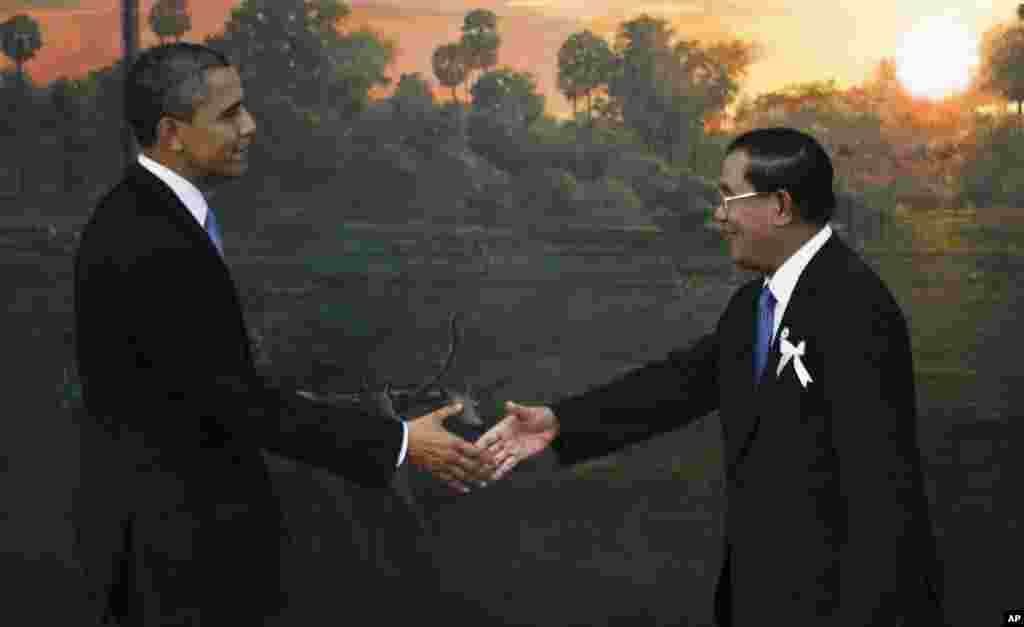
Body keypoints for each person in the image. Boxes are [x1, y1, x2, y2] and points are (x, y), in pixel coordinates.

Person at [71, 42, 494, 625]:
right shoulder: (151, 241)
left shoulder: (150, 217)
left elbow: (206, 388)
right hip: (175, 560)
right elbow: (236, 404)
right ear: (171, 133)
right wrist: (399, 441)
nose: (250, 126)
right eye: (228, 115)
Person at [478, 128, 947, 626]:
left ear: (780, 206)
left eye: (728, 197)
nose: (718, 216)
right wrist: (558, 423)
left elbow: (882, 498)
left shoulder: (855, 308)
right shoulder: (752, 306)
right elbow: (678, 384)